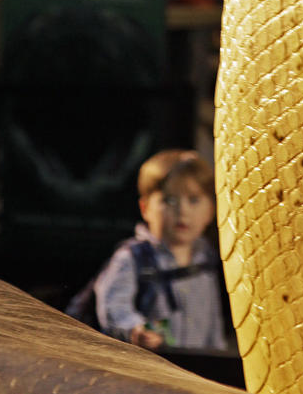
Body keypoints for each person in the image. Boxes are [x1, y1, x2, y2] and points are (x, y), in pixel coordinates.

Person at [94, 149, 227, 350]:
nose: (182, 211)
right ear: (145, 208)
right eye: (169, 200)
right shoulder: (133, 258)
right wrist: (135, 330)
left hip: (195, 370)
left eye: (193, 200)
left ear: (211, 210)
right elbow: (113, 306)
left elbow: (213, 320)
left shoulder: (205, 261)